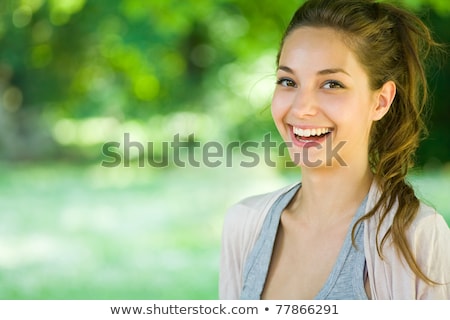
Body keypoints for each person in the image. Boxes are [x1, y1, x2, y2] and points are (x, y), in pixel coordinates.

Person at [219, 0, 450, 300]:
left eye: (331, 84)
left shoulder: (416, 238)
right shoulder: (244, 225)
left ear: (380, 101)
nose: (301, 108)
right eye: (288, 81)